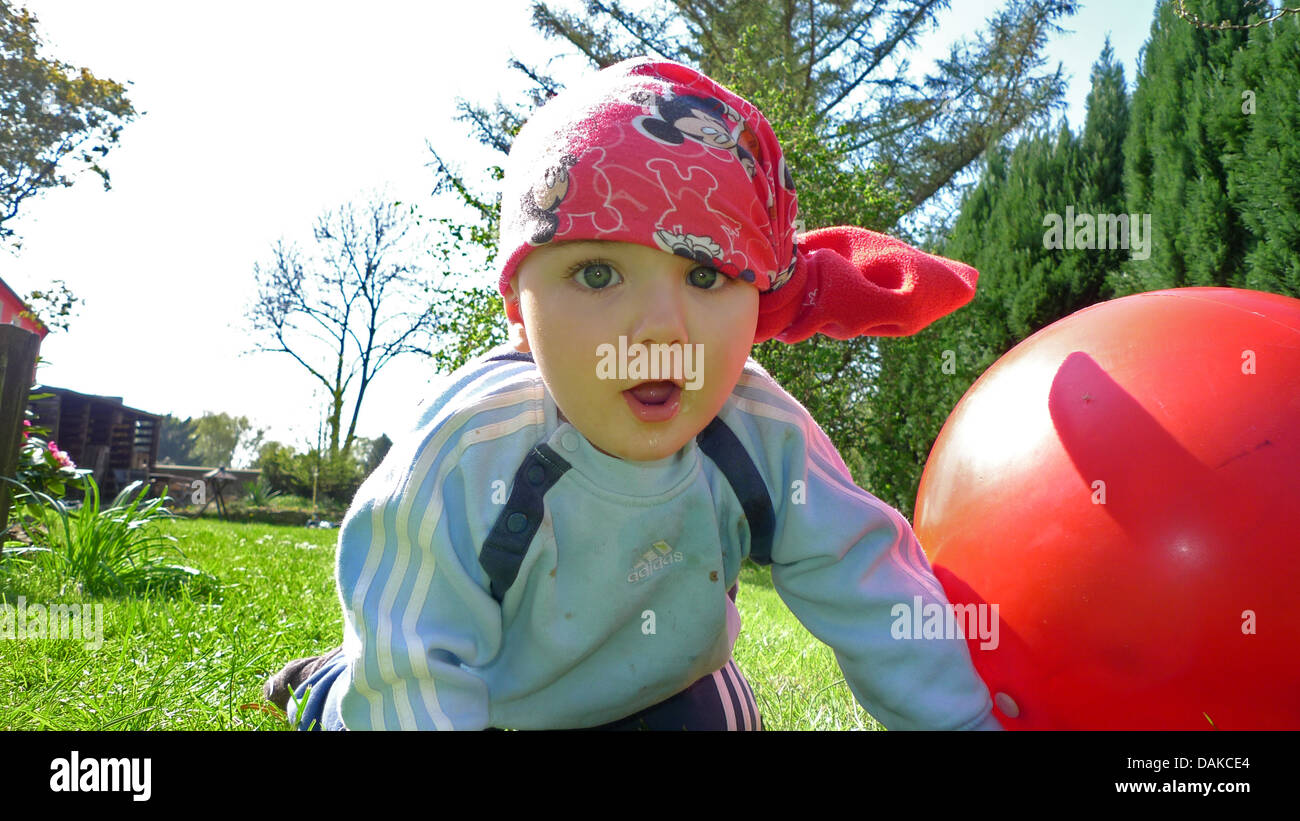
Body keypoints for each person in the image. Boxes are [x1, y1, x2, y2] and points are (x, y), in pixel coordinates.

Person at [264, 57, 1001, 731]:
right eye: (596, 274)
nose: (659, 329)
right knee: (359, 701)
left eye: (706, 275)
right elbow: (413, 659)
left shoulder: (761, 434)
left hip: (659, 689)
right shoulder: (470, 450)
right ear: (521, 309)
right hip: (484, 692)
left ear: (757, 296)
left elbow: (871, 583)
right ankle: (320, 681)